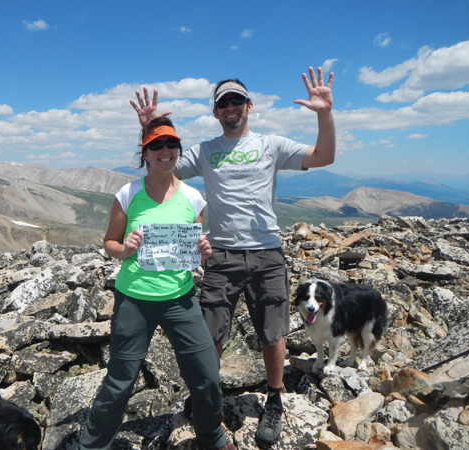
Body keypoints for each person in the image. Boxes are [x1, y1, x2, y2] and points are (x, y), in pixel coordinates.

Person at [130, 67, 335, 445]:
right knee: (210, 335)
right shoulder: (205, 151)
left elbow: (323, 156)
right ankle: (208, 396)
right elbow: (161, 163)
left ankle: (274, 399)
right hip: (221, 255)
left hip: (266, 253)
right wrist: (151, 127)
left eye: (236, 100)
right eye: (223, 102)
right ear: (215, 112)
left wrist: (324, 112)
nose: (230, 107)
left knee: (273, 333)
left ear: (249, 106)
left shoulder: (272, 145)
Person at [77, 116, 234, 450]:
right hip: (134, 299)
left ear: (178, 150)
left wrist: (202, 252)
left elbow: (192, 253)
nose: (166, 150)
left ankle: (213, 438)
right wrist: (126, 248)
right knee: (121, 380)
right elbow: (110, 243)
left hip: (180, 299)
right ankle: (91, 446)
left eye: (172, 144)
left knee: (206, 376)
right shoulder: (128, 193)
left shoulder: (193, 198)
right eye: (156, 145)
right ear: (145, 154)